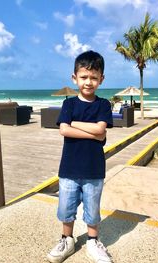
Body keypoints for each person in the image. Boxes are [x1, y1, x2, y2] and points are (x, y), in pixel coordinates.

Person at [47, 50, 113, 263]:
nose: (88, 82)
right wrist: (93, 132)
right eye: (84, 77)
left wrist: (73, 123)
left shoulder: (103, 104)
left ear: (101, 79)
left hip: (94, 169)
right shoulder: (69, 104)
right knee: (66, 208)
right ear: (74, 77)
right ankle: (67, 239)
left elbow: (101, 130)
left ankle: (93, 241)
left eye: (94, 77)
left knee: (92, 208)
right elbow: (64, 131)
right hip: (69, 169)